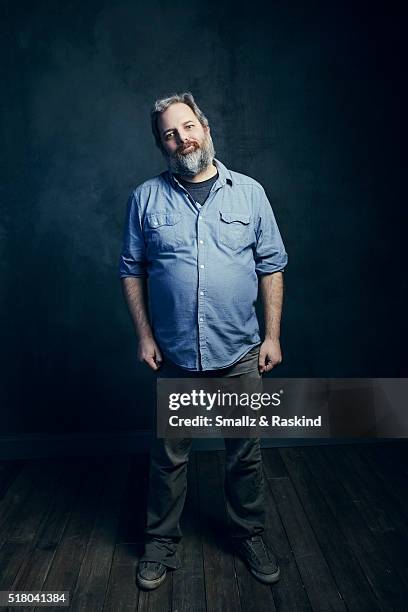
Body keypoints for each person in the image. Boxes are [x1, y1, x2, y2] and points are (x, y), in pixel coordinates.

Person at [119, 92, 288, 591]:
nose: (182, 138)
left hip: (239, 353)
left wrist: (273, 336)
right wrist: (145, 335)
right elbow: (132, 269)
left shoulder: (250, 193)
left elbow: (272, 263)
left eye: (188, 126)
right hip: (175, 358)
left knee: (245, 455)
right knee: (169, 458)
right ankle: (160, 543)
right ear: (162, 144)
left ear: (206, 128)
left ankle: (249, 534)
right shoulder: (145, 199)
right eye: (170, 133)